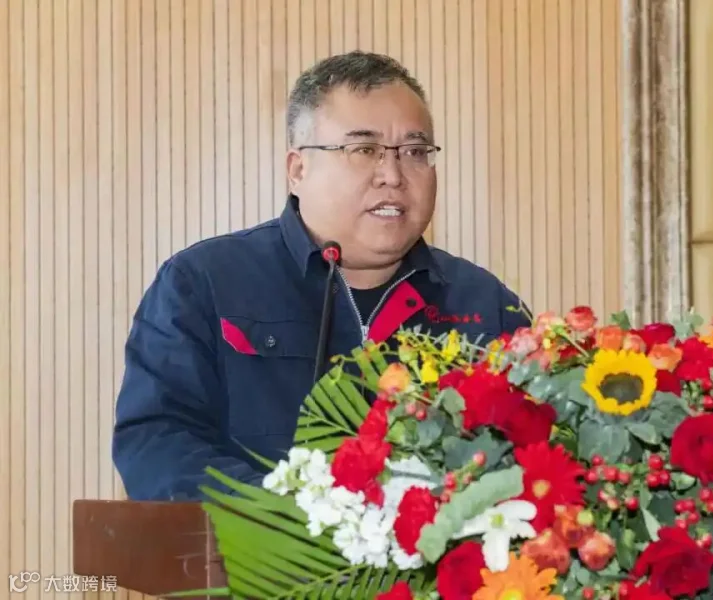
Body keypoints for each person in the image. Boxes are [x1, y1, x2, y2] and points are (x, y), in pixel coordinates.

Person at [112, 51, 531, 501]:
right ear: (298, 170)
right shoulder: (205, 285)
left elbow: (542, 453)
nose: (392, 175)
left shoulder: (484, 305)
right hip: (255, 544)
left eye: (414, 152)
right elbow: (158, 446)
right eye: (364, 150)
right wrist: (300, 518)